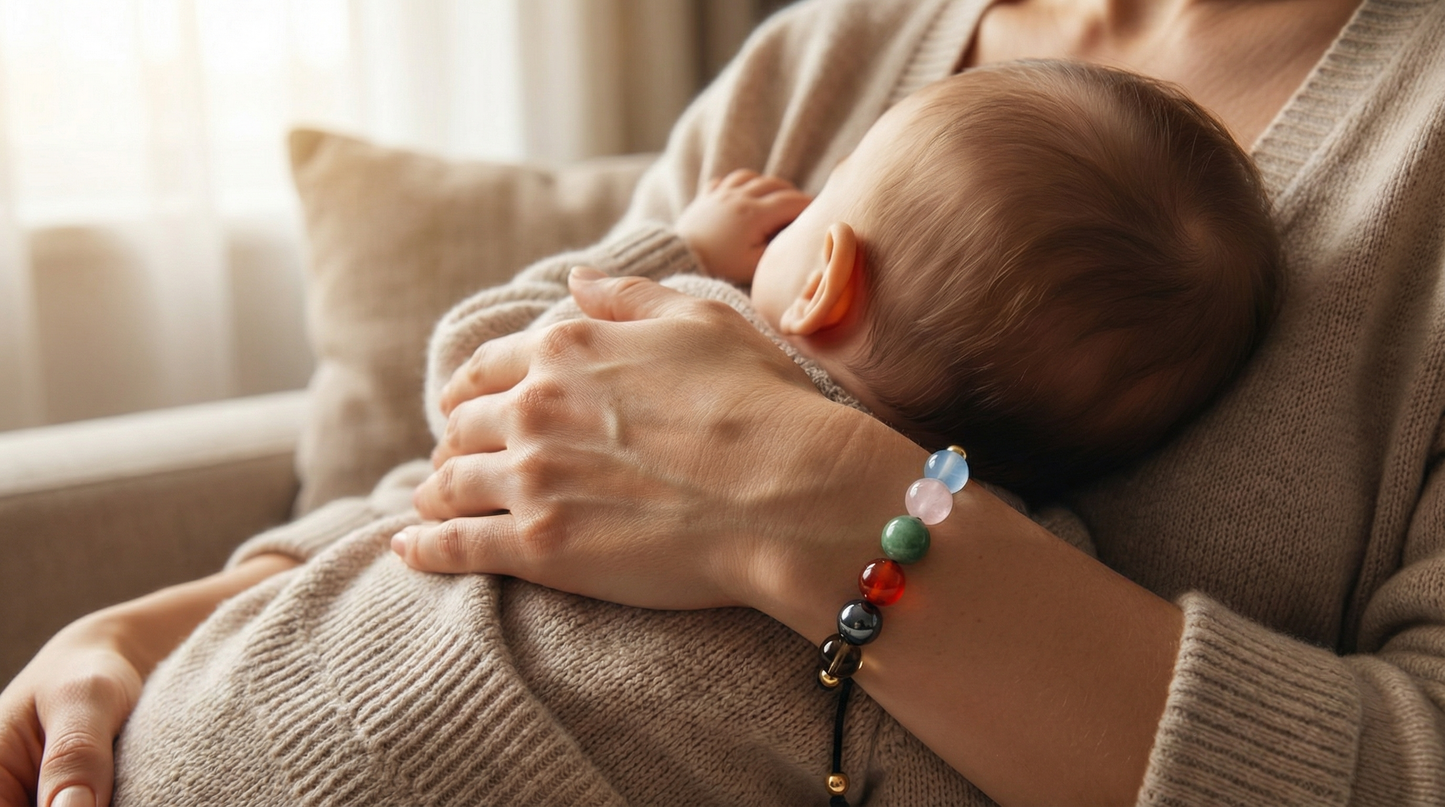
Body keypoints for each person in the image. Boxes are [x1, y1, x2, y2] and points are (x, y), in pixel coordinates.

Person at [5, 0, 1443, 805]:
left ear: (813, 278)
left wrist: (816, 506)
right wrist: (151, 628)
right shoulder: (828, 52)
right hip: (238, 696)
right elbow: (475, 448)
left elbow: (506, 342)